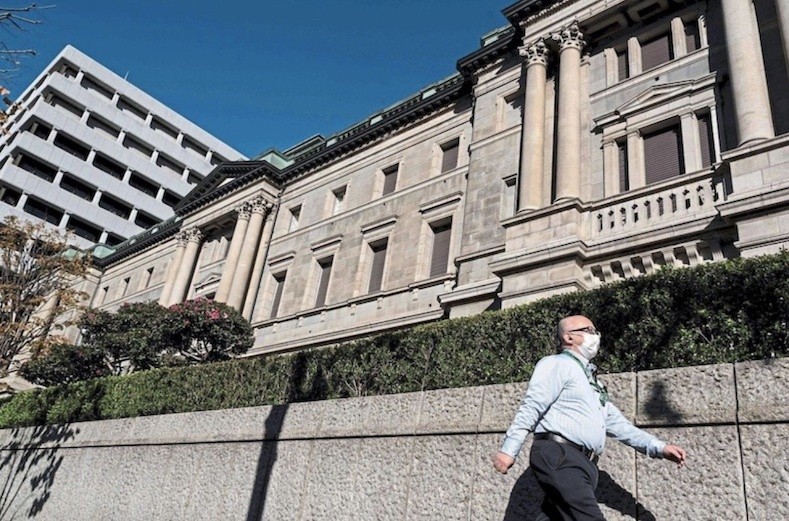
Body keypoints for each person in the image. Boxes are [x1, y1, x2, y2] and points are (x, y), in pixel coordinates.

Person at [492, 314, 686, 520]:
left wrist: (659, 448)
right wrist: (509, 450)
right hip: (561, 456)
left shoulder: (593, 383)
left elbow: (619, 425)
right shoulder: (556, 364)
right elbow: (531, 406)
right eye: (588, 331)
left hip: (583, 464)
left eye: (595, 331)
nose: (595, 336)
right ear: (568, 337)